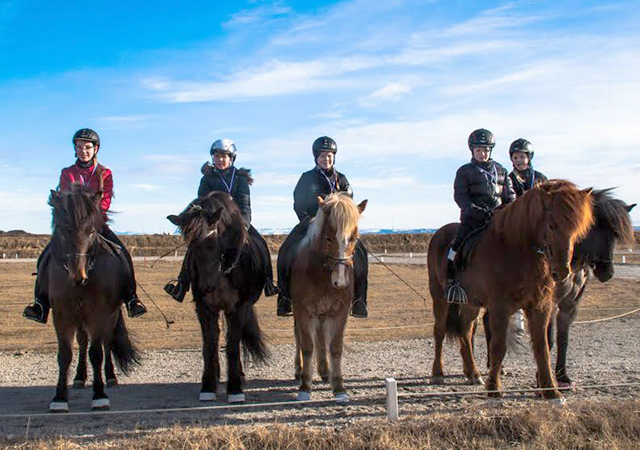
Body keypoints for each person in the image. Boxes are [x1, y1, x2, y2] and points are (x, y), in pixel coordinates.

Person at [23, 128, 147, 323]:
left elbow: (105, 199)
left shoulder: (104, 173)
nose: (84, 151)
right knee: (45, 256)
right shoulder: (67, 173)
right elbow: (65, 196)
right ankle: (40, 303)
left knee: (122, 253)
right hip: (71, 226)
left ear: (96, 149)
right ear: (75, 149)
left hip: (95, 224)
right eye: (79, 147)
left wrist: (92, 216)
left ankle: (132, 298)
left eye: (88, 147)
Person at [164, 138, 277, 302]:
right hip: (212, 223)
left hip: (237, 222)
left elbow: (245, 205)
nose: (220, 160)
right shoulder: (207, 179)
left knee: (261, 243)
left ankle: (268, 281)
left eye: (224, 156)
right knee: (194, 247)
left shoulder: (240, 179)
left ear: (231, 158)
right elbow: (201, 203)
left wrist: (243, 225)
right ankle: (181, 284)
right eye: (217, 156)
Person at [276, 136, 369, 318]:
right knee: (286, 249)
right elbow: (298, 202)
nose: (326, 159)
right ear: (316, 158)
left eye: (329, 156)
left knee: (362, 253)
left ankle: (359, 301)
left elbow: (348, 204)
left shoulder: (342, 179)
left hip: (336, 228)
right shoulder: (306, 178)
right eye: (322, 156)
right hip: (310, 223)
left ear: (334, 157)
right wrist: (306, 219)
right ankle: (284, 298)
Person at [446, 128, 516, 301]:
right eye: (479, 150)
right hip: (473, 221)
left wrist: (506, 213)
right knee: (456, 247)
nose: (482, 153)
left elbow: (511, 196)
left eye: (485, 150)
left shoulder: (501, 170)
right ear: (472, 150)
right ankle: (452, 282)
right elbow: (461, 197)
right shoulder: (464, 171)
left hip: (499, 221)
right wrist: (478, 213)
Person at [508, 138, 548, 333]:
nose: (519, 160)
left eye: (522, 157)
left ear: (529, 158)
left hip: (539, 225)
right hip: (518, 224)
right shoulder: (508, 178)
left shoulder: (540, 177)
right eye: (516, 157)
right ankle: (516, 312)